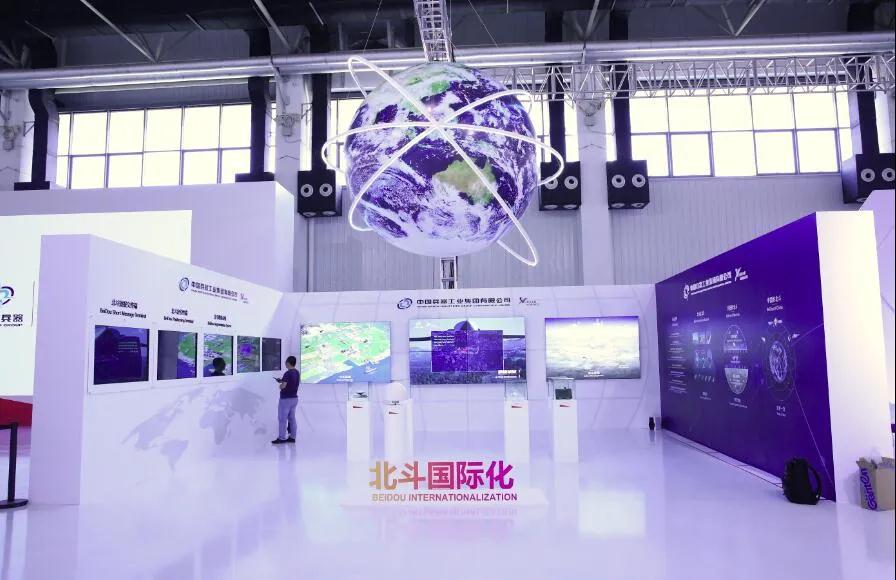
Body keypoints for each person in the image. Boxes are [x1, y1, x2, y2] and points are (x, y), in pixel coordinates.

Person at [272, 356, 300, 445]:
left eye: (285, 362)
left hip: (285, 399)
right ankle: (292, 437)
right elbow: (290, 382)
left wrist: (280, 385)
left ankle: (282, 438)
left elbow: (283, 386)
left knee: (282, 419)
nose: (285, 363)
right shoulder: (297, 372)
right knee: (292, 419)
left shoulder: (287, 373)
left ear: (288, 363)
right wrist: (282, 381)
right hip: (294, 399)